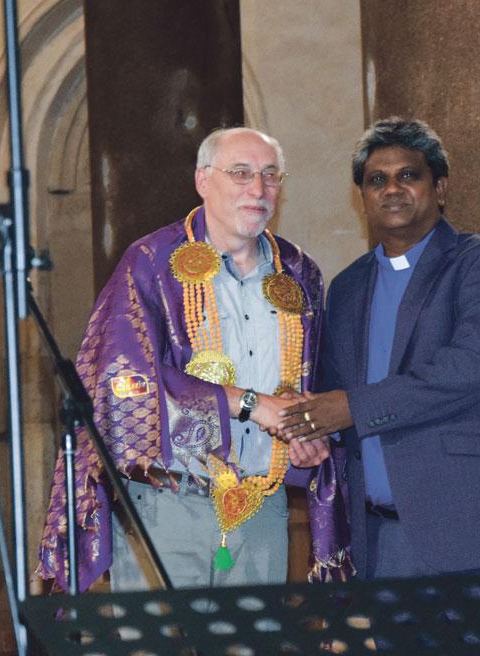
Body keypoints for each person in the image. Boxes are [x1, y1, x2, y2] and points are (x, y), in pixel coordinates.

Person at [37, 127, 351, 592]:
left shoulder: (300, 272)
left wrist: (307, 431)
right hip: (170, 500)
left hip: (264, 507)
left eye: (270, 175)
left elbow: (315, 377)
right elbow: (122, 377)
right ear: (203, 180)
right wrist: (249, 403)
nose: (257, 189)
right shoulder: (152, 260)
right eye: (240, 173)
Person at [277, 117, 480, 621]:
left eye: (408, 176)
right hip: (386, 546)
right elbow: (331, 398)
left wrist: (349, 409)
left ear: (439, 188)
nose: (392, 189)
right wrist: (310, 433)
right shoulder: (345, 289)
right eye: (376, 179)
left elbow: (471, 367)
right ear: (362, 195)